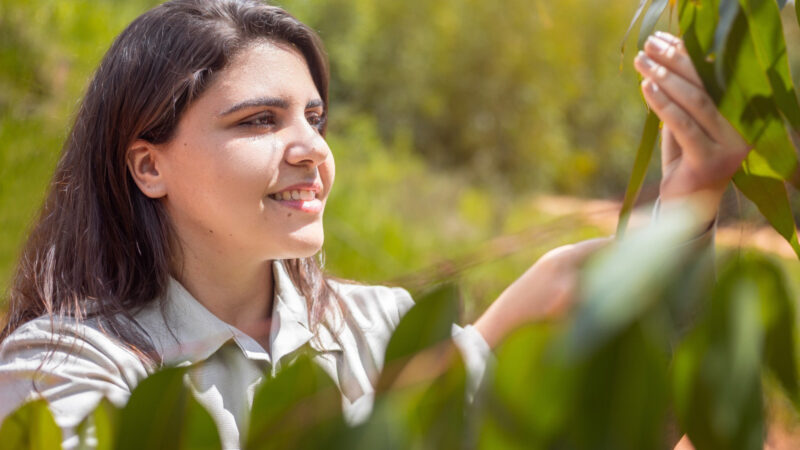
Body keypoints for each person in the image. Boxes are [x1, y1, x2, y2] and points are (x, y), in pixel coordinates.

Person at [0, 0, 749, 448]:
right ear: (148, 167)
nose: (311, 150)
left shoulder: (381, 329)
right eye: (259, 120)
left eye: (315, 118)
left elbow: (608, 428)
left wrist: (686, 203)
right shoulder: (64, 368)